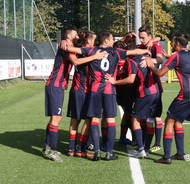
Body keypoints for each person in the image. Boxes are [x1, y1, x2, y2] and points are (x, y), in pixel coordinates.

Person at [65, 31, 150, 161]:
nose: (112, 41)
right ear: (106, 41)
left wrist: (64, 44)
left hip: (94, 89)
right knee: (110, 120)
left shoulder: (91, 50)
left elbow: (70, 49)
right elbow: (134, 52)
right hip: (109, 90)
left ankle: (97, 151)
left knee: (94, 119)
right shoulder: (115, 52)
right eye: (111, 39)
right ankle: (109, 152)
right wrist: (146, 53)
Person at [42, 28, 106, 162]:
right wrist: (94, 57)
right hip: (56, 85)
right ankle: (52, 151)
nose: (78, 36)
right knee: (57, 119)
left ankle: (47, 147)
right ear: (69, 36)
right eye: (75, 35)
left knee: (57, 119)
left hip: (59, 85)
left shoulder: (74, 47)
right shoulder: (66, 46)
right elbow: (75, 61)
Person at [145, 33, 190, 164]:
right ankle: (180, 153)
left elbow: (160, 73)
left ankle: (166, 157)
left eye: (172, 42)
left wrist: (150, 65)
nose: (171, 44)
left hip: (187, 94)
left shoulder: (176, 56)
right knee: (178, 121)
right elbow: (183, 65)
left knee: (169, 120)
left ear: (177, 43)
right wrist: (169, 57)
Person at [138, 25, 164, 153]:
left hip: (155, 86)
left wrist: (150, 60)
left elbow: (160, 59)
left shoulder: (155, 46)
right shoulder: (142, 47)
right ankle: (145, 143)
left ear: (149, 37)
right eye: (140, 38)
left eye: (143, 38)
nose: (141, 40)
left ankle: (157, 143)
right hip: (146, 87)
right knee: (146, 117)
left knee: (156, 116)